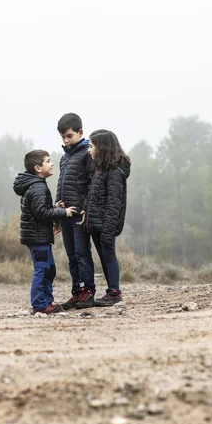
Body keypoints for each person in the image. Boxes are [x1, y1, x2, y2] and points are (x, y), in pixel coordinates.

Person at [13, 149, 76, 314]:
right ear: (38, 168)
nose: (52, 163)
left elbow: (40, 210)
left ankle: (47, 301)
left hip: (38, 235)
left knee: (49, 269)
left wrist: (54, 208)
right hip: (37, 237)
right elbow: (41, 213)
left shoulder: (35, 186)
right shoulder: (38, 188)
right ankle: (40, 304)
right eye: (48, 161)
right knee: (42, 269)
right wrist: (64, 212)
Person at [82, 130, 131, 306]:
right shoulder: (99, 169)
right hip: (95, 223)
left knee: (109, 255)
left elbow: (114, 203)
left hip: (105, 225)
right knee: (103, 257)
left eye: (91, 146)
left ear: (102, 147)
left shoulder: (115, 171)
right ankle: (111, 290)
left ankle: (115, 292)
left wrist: (108, 229)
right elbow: (93, 196)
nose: (89, 150)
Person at [55, 112, 96, 309]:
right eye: (63, 137)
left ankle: (88, 292)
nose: (66, 140)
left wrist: (85, 209)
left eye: (69, 136)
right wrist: (57, 206)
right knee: (71, 255)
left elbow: (93, 184)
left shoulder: (88, 154)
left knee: (82, 253)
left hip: (79, 216)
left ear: (80, 132)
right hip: (65, 215)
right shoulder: (64, 158)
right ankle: (77, 292)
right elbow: (59, 184)